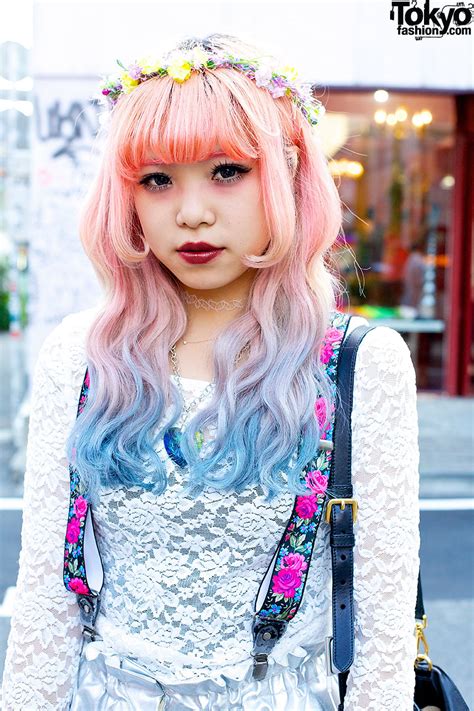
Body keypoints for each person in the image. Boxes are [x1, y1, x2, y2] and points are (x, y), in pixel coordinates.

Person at [1, 33, 420, 710]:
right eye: (157, 179)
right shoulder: (82, 353)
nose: (191, 211)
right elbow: (48, 609)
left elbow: (382, 636)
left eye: (227, 170)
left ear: (287, 174)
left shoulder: (357, 362)